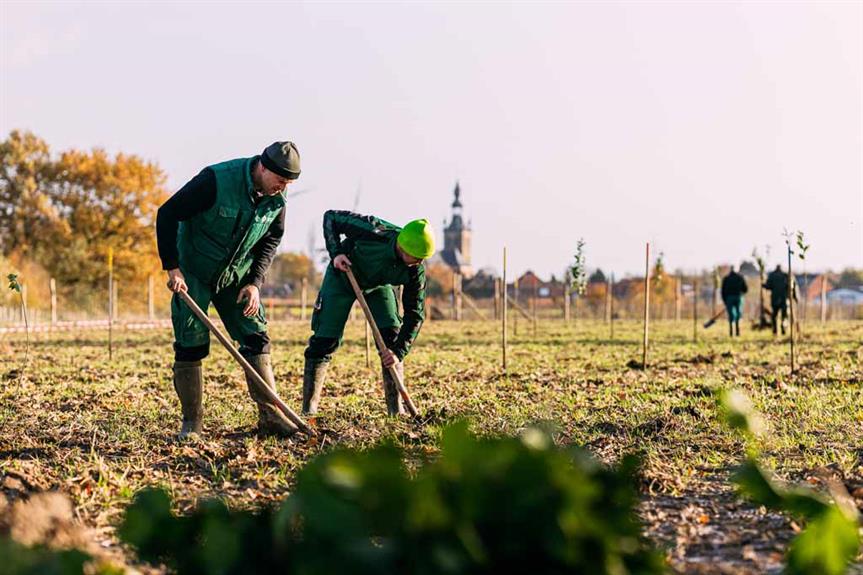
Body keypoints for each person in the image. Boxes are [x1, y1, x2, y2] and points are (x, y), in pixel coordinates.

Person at [156, 141, 301, 439]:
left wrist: (255, 282)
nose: (283, 188)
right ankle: (192, 423)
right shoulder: (215, 181)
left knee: (255, 335)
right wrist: (172, 267)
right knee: (191, 342)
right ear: (263, 167)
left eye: (288, 184)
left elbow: (272, 238)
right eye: (280, 180)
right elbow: (167, 213)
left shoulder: (277, 198)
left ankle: (271, 418)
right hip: (194, 271)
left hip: (236, 275)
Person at [302, 210, 434, 416]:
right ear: (402, 247)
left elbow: (415, 314)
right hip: (343, 276)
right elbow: (331, 217)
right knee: (324, 340)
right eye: (416, 258)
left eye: (422, 259)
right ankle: (309, 410)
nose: (418, 263)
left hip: (377, 286)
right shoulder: (374, 230)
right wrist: (336, 253)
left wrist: (398, 352)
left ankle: (396, 410)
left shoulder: (415, 270)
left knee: (391, 339)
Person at [763, 265, 794, 335]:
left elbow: (768, 286)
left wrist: (764, 285)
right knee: (784, 315)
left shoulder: (772, 276)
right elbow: (790, 287)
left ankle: (775, 330)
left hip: (775, 299)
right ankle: (783, 329)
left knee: (774, 315)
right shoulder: (785, 275)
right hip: (784, 299)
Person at [721, 265, 748, 337]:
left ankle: (731, 331)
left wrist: (725, 300)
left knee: (731, 315)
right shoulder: (740, 278)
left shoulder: (726, 279)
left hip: (729, 298)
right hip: (738, 297)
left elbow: (723, 291)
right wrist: (741, 293)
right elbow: (745, 289)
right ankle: (737, 331)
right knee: (738, 314)